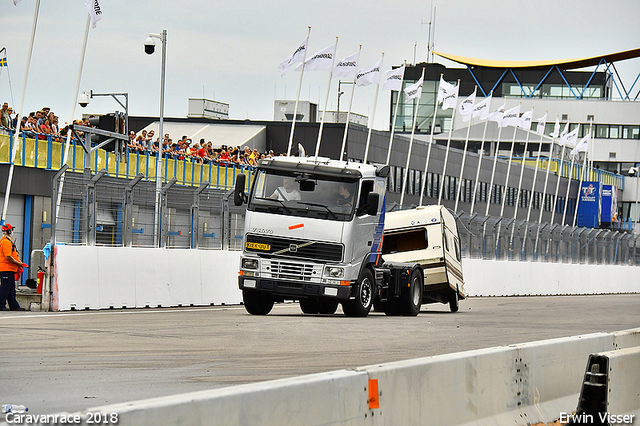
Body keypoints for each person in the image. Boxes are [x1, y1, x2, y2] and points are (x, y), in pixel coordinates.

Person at [0, 224, 27, 311]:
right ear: (8, 231)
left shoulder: (8, 241)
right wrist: (18, 263)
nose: (12, 232)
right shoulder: (6, 242)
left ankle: (14, 305)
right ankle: (1, 305)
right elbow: (8, 256)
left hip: (9, 269)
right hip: (5, 268)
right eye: (11, 230)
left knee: (11, 288)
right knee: (5, 288)